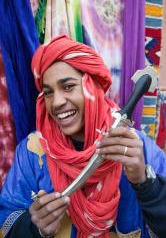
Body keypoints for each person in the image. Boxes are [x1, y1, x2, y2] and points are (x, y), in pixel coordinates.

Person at [0, 35, 166, 238]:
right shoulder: (33, 152)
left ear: (94, 87)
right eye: (49, 92)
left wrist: (145, 183)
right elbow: (6, 218)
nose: (57, 102)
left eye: (68, 86)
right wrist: (35, 227)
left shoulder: (138, 150)